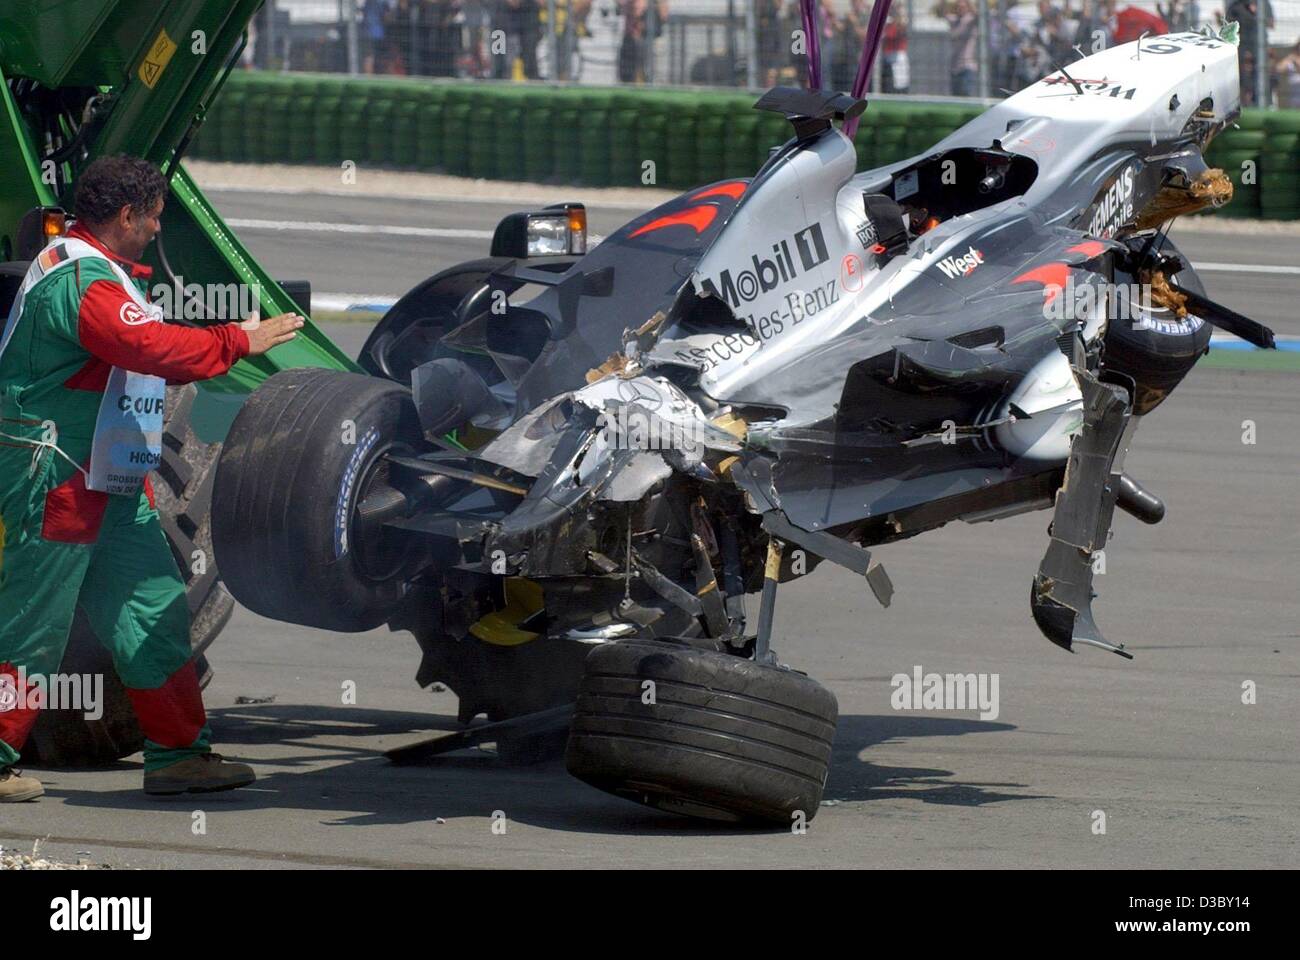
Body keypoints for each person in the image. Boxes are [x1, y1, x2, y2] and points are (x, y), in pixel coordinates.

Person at [0, 155, 302, 803]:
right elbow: (152, 348)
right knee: (35, 623)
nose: (160, 230)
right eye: (156, 217)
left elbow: (149, 343)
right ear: (128, 216)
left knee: (153, 611)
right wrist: (238, 342)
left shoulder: (93, 270)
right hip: (56, 476)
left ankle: (178, 756)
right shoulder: (81, 282)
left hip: (105, 476)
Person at [942, 0, 980, 97]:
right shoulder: (954, 20)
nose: (960, 9)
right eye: (958, 7)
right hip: (954, 66)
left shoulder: (970, 20)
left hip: (967, 66)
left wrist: (969, 2)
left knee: (966, 95)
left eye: (963, 7)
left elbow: (979, 15)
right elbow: (942, 12)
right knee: (955, 97)